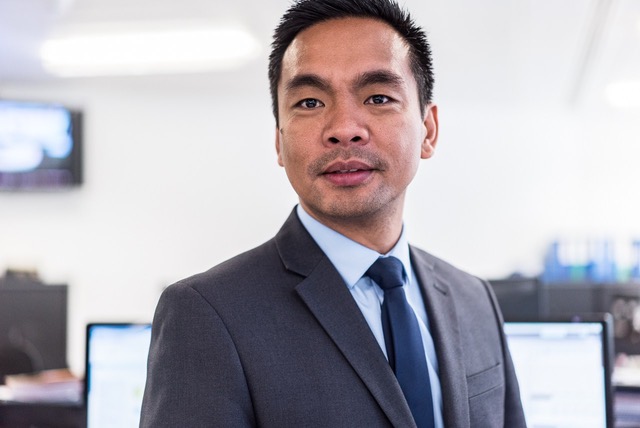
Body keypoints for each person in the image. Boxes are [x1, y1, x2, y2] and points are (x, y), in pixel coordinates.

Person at [140, 0, 526, 427]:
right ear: (279, 141)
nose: (344, 129)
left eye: (378, 97)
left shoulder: (474, 299)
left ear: (428, 130)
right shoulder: (206, 314)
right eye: (309, 102)